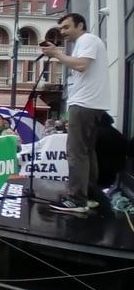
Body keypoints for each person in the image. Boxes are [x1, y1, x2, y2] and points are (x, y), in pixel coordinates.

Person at [42, 12, 110, 212]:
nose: (63, 32)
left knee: (76, 152)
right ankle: (89, 195)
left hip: (84, 104)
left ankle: (77, 199)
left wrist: (56, 54)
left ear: (80, 25)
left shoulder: (87, 39)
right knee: (87, 152)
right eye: (61, 28)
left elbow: (81, 65)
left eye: (66, 27)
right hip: (90, 104)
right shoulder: (88, 42)